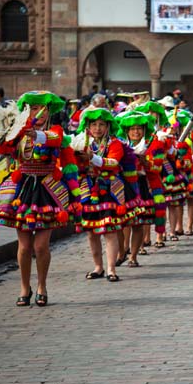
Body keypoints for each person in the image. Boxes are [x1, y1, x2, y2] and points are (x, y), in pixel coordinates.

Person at [0, 91, 80, 307]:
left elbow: (54, 141)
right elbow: (2, 149)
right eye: (33, 108)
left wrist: (75, 193)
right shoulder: (18, 131)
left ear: (49, 111)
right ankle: (23, 286)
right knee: (24, 245)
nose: (37, 112)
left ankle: (42, 285)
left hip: (47, 190)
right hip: (23, 190)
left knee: (41, 246)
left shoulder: (55, 131)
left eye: (41, 108)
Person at [75, 107, 138, 283]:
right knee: (91, 232)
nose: (97, 128)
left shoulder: (114, 143)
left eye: (102, 124)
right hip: (88, 189)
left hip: (111, 189)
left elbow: (112, 162)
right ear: (87, 126)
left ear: (108, 126)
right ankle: (98, 267)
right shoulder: (81, 142)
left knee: (109, 230)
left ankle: (111, 268)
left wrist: (91, 158)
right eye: (93, 124)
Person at [115, 109, 166, 268]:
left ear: (144, 130)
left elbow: (158, 168)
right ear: (127, 131)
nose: (135, 132)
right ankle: (122, 250)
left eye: (139, 129)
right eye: (132, 129)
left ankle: (134, 255)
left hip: (142, 184)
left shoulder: (154, 144)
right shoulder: (120, 145)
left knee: (138, 222)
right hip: (124, 186)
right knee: (122, 222)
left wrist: (146, 163)